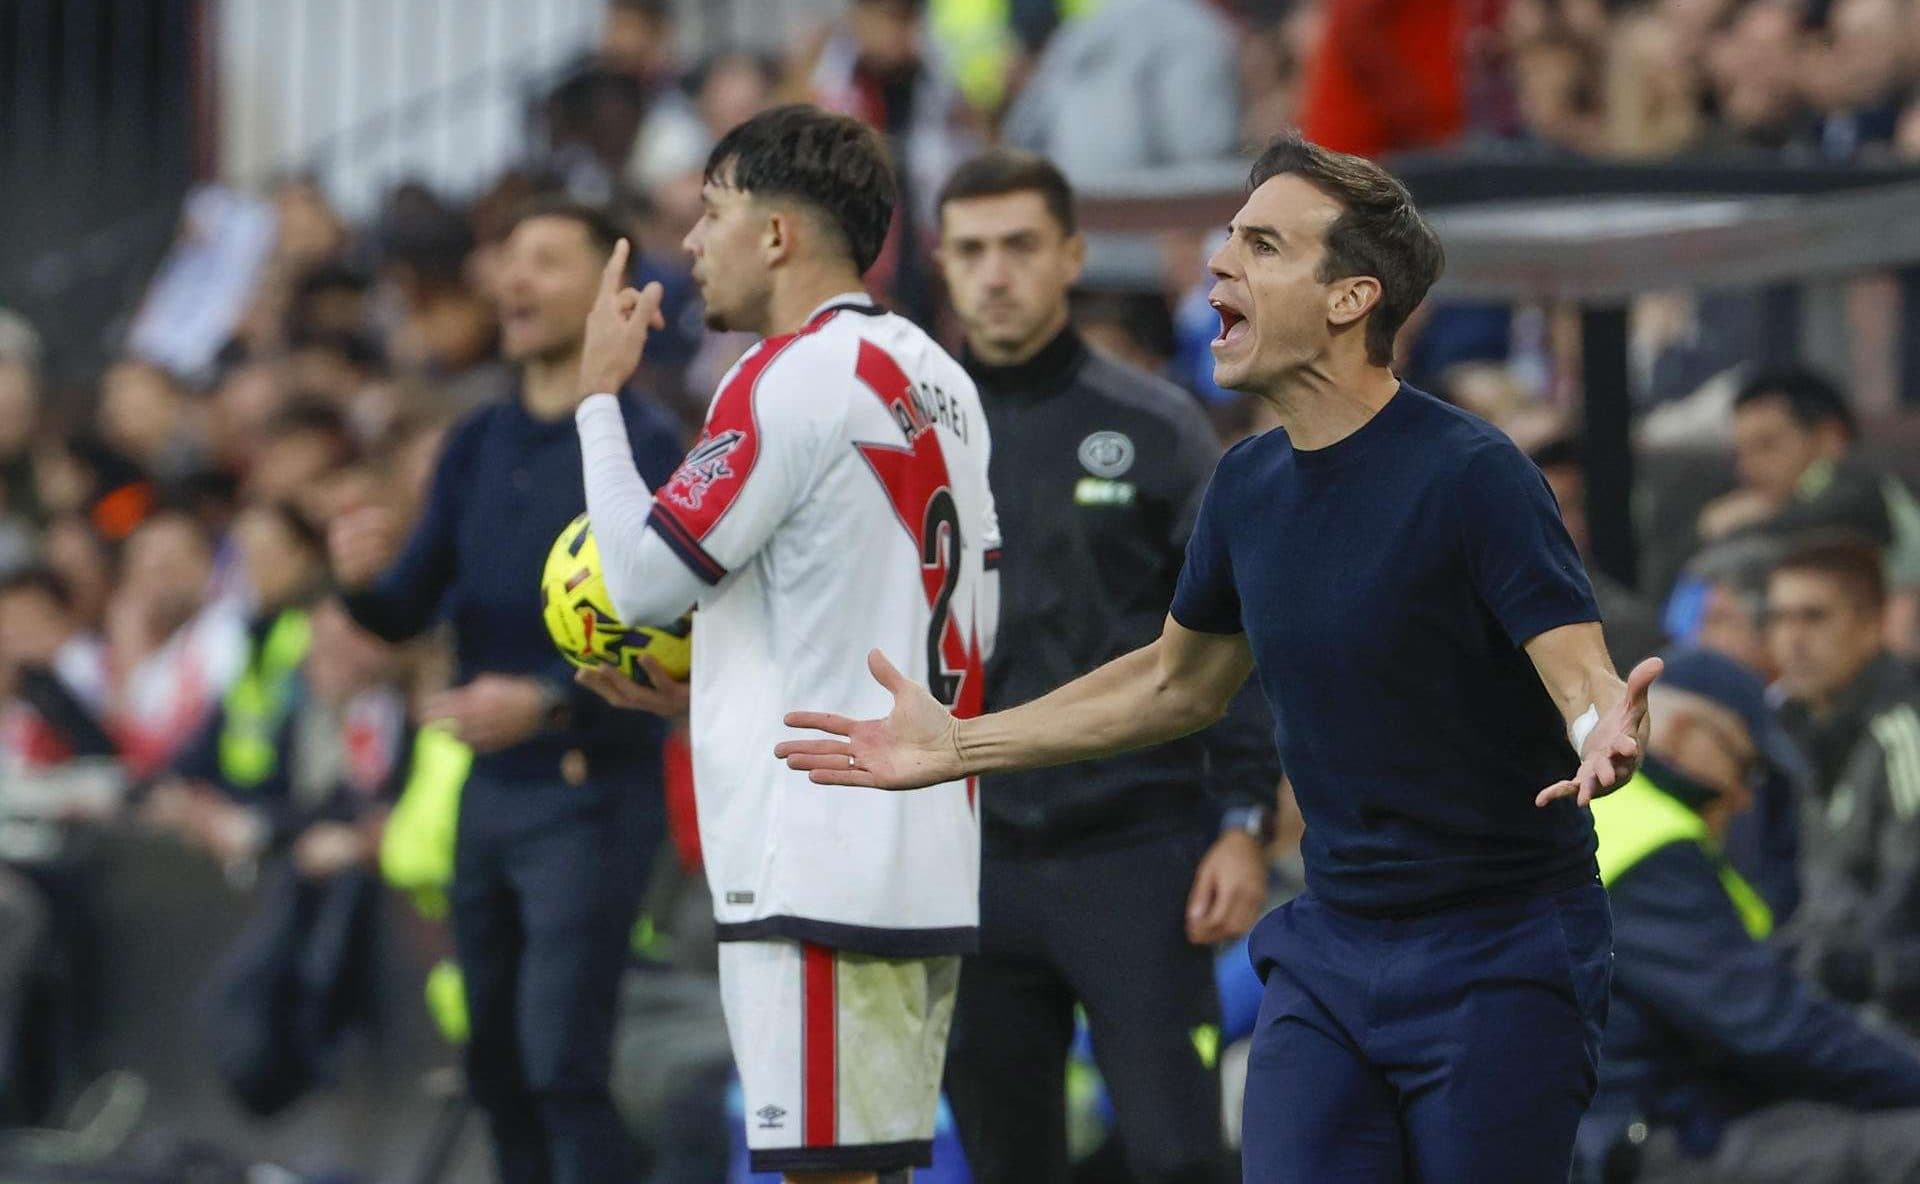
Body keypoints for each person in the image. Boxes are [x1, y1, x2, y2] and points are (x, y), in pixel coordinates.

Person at [777, 134, 1664, 1183]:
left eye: (1262, 245)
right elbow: (1176, 680)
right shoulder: (1247, 483)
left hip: (1499, 950)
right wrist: (958, 741)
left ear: (1350, 299)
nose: (1217, 266)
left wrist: (1602, 725)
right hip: (1330, 945)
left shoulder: (1474, 474)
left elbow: (1580, 675)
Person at [567, 104, 999, 1184]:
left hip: (813, 851)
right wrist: (713, 684)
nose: (691, 244)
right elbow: (871, 600)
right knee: (870, 1169)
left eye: (711, 214)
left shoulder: (786, 374)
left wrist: (595, 398)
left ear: (777, 235)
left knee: (823, 1175)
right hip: (922, 847)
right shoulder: (940, 379)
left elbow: (640, 575)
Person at [931, 149, 1276, 1184]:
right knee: (1006, 1162)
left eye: (1021, 246)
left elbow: (1240, 632)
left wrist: (1246, 822)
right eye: (973, 250)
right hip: (966, 857)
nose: (997, 273)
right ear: (941, 265)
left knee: (1178, 1156)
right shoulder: (902, 435)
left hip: (1137, 847)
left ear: (1072, 254)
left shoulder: (1155, 425)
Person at [329, 198, 685, 1184]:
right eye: (508, 262)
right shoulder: (476, 440)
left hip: (591, 790)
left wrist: (547, 698)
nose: (514, 281)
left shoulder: (646, 445)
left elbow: (679, 634)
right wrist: (358, 575)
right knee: (493, 1067)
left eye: (545, 261)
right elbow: (404, 609)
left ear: (608, 289)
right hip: (489, 795)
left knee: (561, 1065)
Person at [1579, 647, 1920, 1184]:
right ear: (1688, 731)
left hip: (1647, 1116)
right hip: (1643, 1139)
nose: (1742, 798)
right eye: (1745, 765)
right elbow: (1769, 1024)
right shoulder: (1652, 846)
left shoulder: (1617, 814)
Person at [1768, 538, 1920, 1029]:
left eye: (1813, 617)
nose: (1792, 639)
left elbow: (1904, 914)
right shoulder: (1786, 725)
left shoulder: (1903, 733)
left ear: (1871, 625)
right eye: (1779, 618)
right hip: (1826, 998)